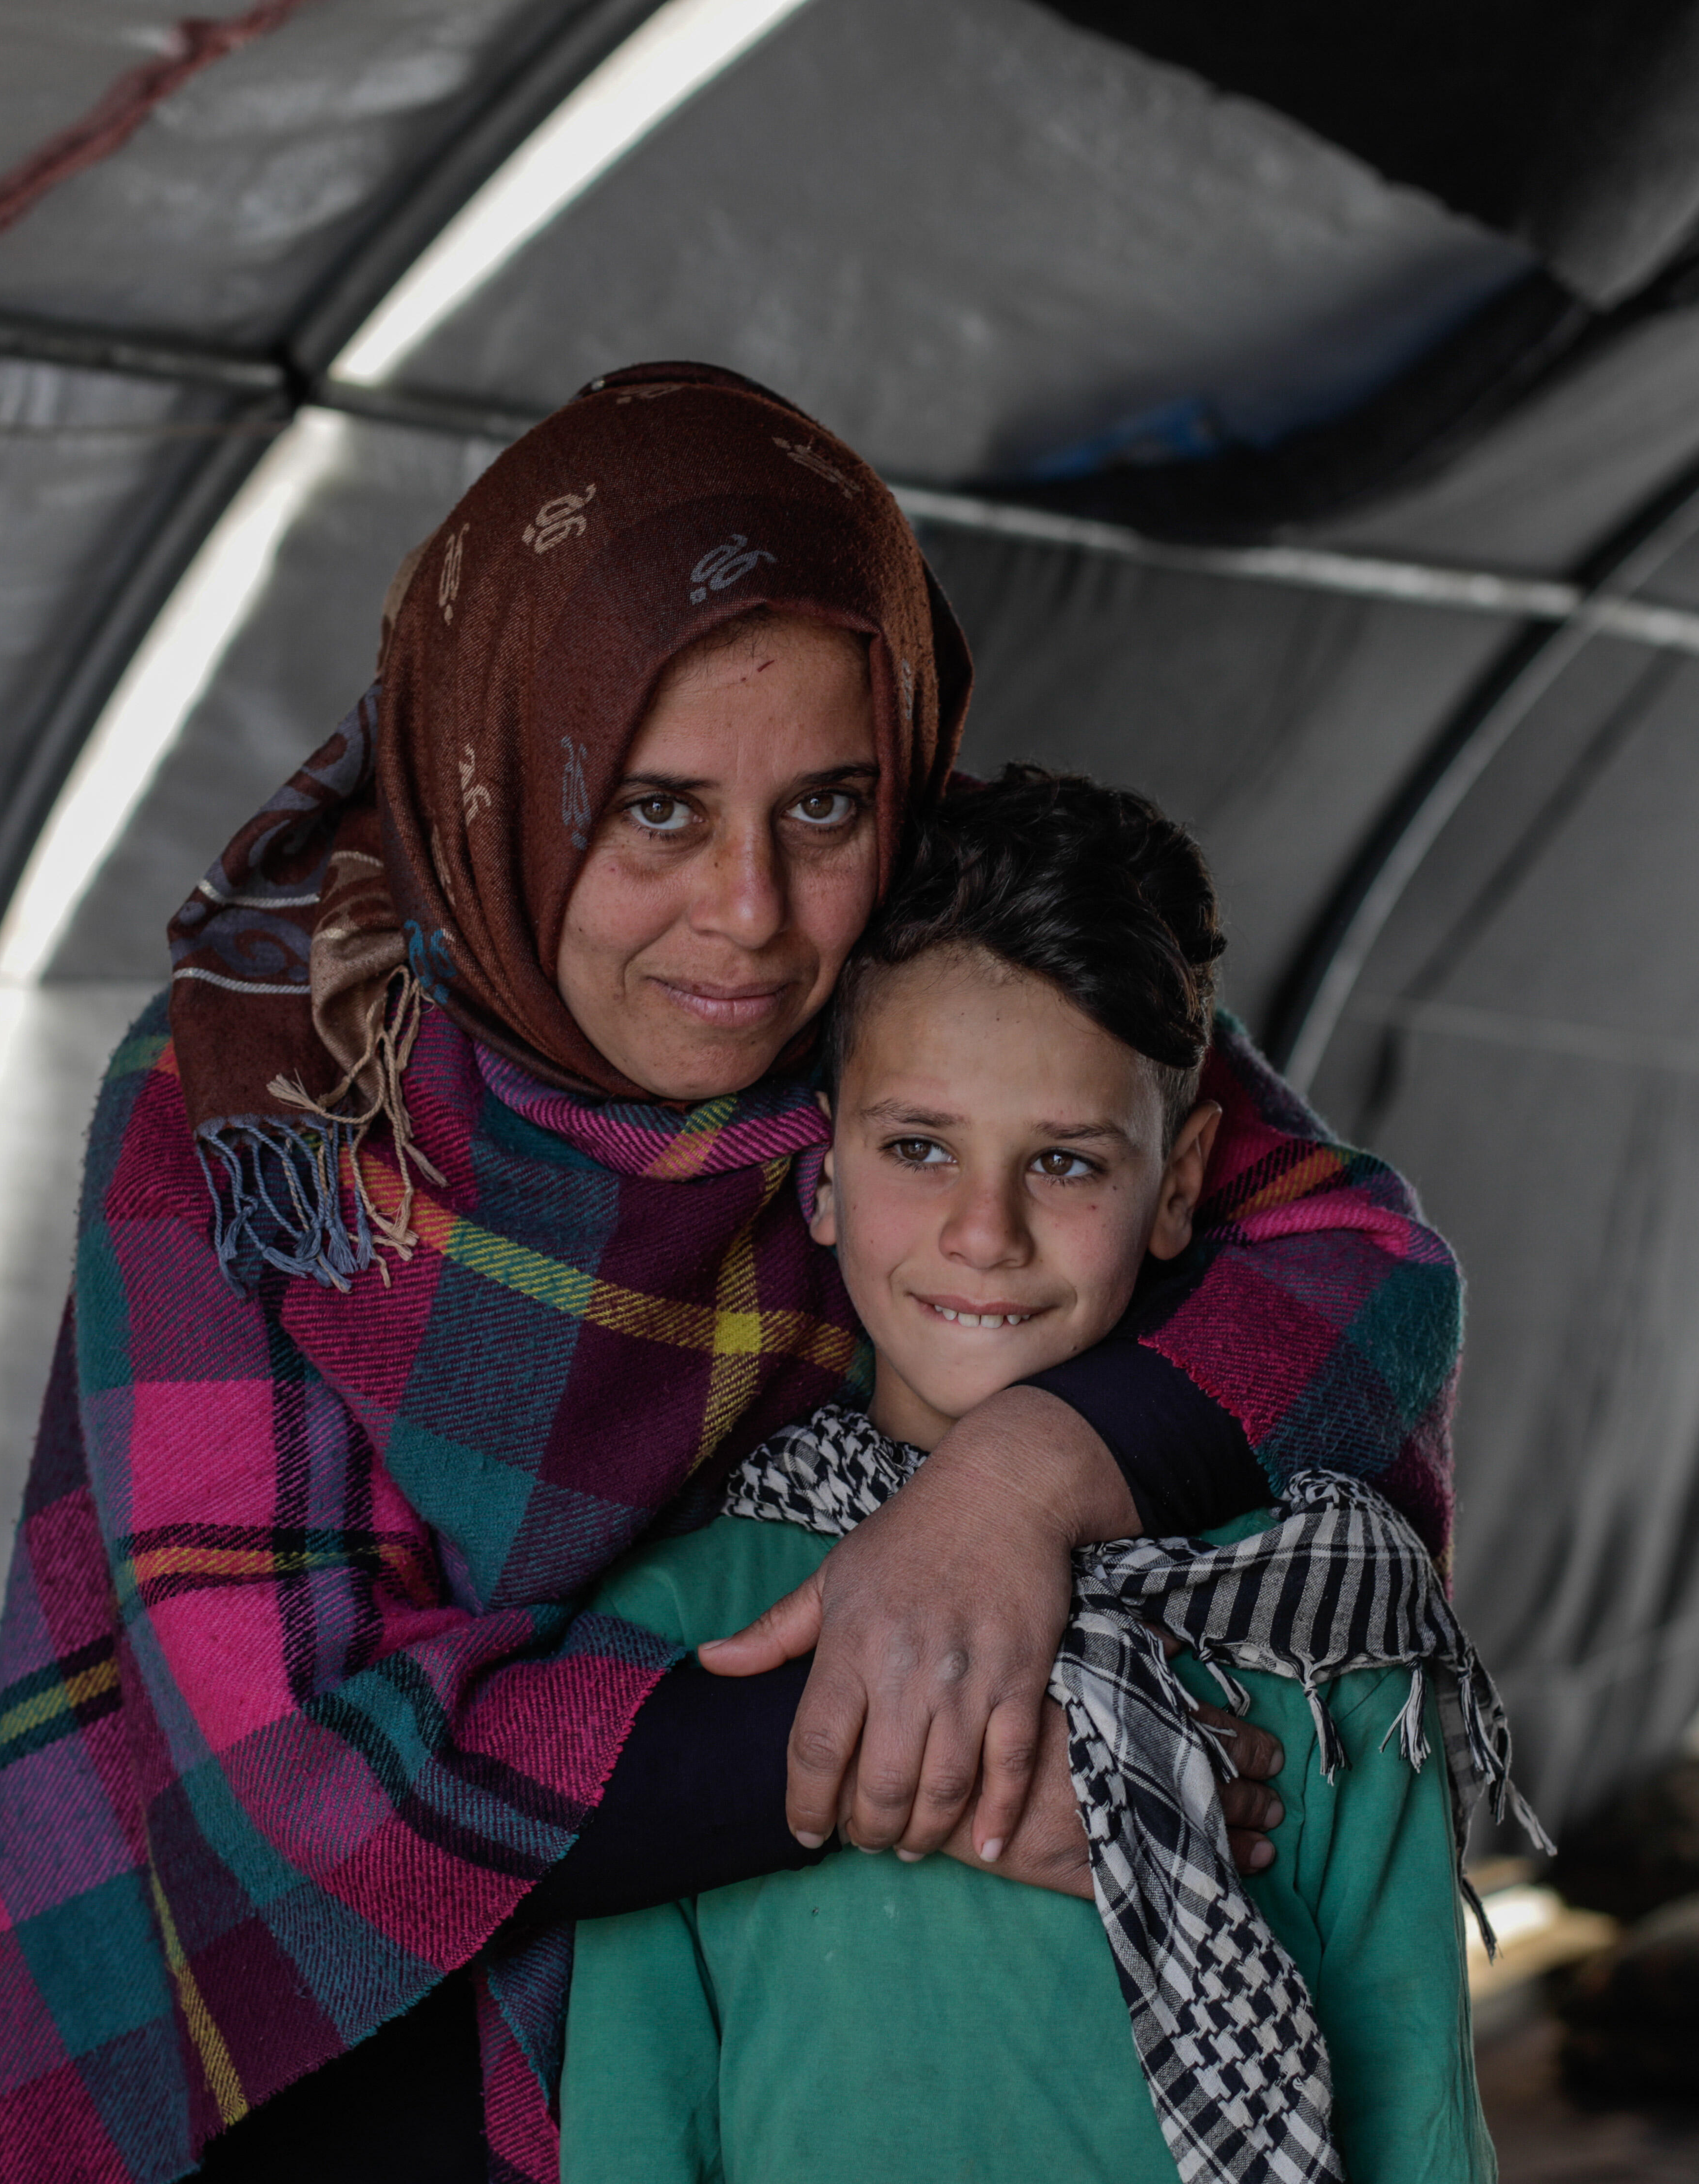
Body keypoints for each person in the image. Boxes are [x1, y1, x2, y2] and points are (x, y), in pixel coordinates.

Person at [0, 365, 1465, 2184]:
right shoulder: (259, 1114)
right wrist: (922, 1745)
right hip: (306, 2079)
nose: (746, 911)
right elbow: (314, 1796)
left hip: (723, 2032)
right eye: (652, 808)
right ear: (506, 768)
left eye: (825, 804)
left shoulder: (907, 982)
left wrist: (1014, 1490)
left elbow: (1358, 1269)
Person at [563, 769, 1515, 2184]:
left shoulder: (1319, 1653)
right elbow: (637, 2131)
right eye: (919, 1147)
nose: (984, 1233)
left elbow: (1418, 2123)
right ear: (818, 1170)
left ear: (1182, 1181)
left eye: (1065, 1162)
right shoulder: (691, 1624)